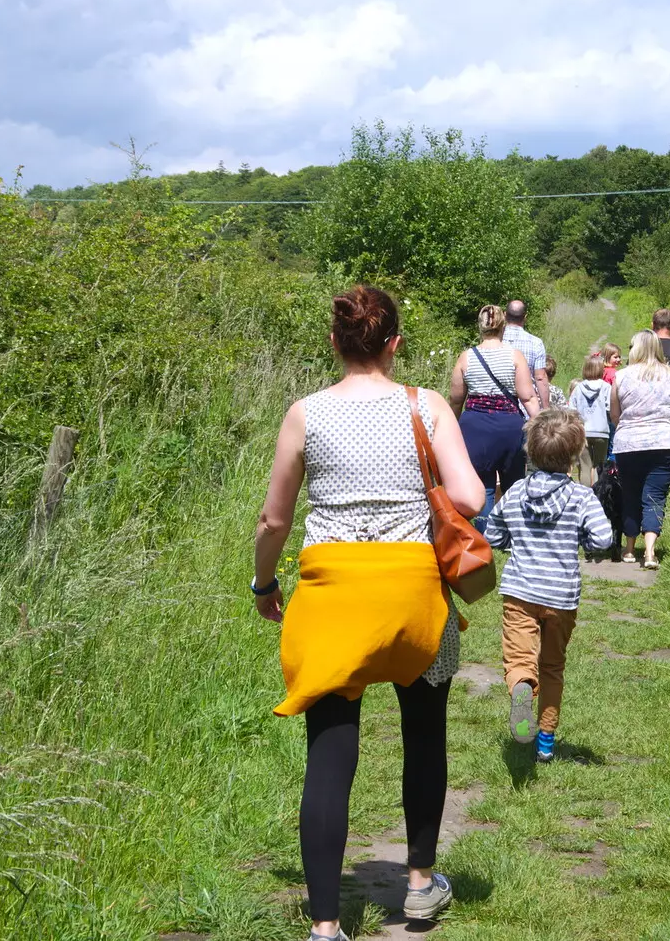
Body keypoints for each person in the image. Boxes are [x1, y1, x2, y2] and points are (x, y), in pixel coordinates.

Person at [253, 285, 486, 940]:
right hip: (415, 594)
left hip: (333, 595)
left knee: (330, 755)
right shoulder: (426, 404)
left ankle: (326, 928)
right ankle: (418, 886)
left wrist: (263, 583)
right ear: (395, 343)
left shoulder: (306, 414)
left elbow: (274, 518)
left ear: (334, 343)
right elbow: (467, 494)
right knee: (425, 735)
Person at [483, 409, 615, 762]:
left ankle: (523, 688)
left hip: (521, 591)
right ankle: (545, 742)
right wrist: (583, 541)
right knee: (553, 666)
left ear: (531, 452)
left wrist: (515, 541)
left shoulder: (514, 492)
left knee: (520, 659)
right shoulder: (581, 497)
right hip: (561, 595)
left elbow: (492, 534)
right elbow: (603, 539)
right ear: (574, 456)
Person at [449, 305, 540, 532]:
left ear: (480, 326)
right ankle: (510, 533)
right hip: (509, 427)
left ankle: (485, 533)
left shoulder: (466, 357)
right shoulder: (514, 356)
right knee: (512, 484)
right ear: (503, 326)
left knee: (483, 485)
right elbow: (527, 396)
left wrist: (451, 427)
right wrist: (541, 425)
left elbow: (456, 398)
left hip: (475, 427)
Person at [609, 329, 670, 570]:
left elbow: (615, 414)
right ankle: (650, 553)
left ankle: (629, 550)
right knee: (655, 497)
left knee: (631, 494)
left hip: (629, 443)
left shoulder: (621, 377)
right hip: (665, 442)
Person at [568, 354, 611, 483]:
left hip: (583, 432)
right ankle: (598, 495)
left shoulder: (578, 388)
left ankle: (585, 495)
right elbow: (610, 408)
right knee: (599, 466)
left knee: (585, 467)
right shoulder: (606, 387)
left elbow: (571, 411)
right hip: (602, 432)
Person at [501, 299, 550, 398]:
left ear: (505, 315)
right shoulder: (536, 343)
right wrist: (546, 409)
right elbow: (540, 378)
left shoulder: (495, 340)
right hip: (527, 403)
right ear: (525, 317)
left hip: (499, 402)